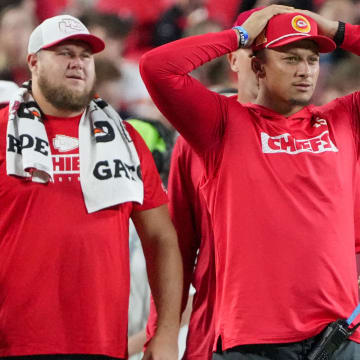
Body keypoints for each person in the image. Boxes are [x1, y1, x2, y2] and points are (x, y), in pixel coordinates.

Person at [140, 4, 360, 359]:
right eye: (290, 59)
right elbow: (157, 68)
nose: (305, 71)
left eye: (312, 60)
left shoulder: (342, 120)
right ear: (257, 66)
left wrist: (335, 30)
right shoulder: (222, 126)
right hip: (252, 340)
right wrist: (238, 37)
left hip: (339, 337)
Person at [0, 14, 183, 360]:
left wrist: (166, 333)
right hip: (14, 344)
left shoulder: (127, 141)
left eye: (85, 56)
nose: (77, 63)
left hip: (102, 346)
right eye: (64, 53)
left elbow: (161, 238)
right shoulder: (1, 132)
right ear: (33, 62)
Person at [146, 9, 260, 360]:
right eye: (256, 52)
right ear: (235, 60)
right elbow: (178, 242)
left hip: (317, 335)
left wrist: (334, 30)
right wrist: (161, 332)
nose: (265, 65)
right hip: (222, 330)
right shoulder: (199, 135)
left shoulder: (321, 133)